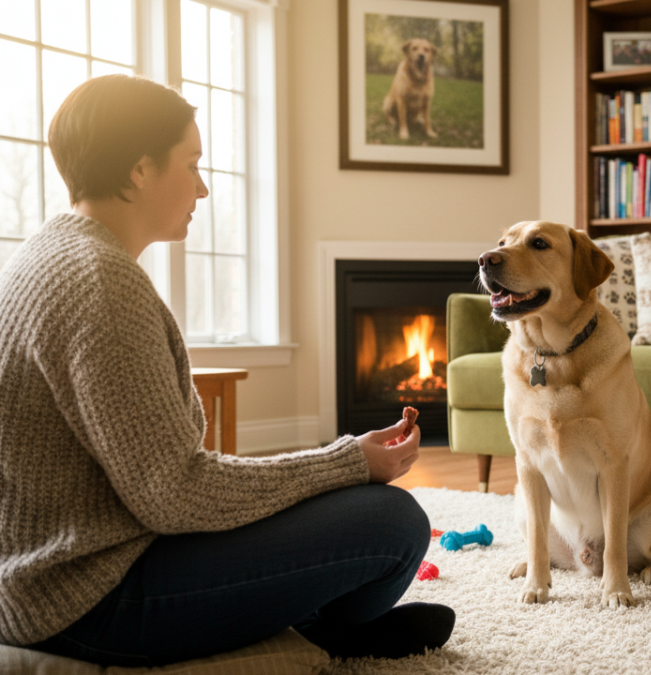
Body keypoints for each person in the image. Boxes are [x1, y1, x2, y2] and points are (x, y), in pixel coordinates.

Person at [0, 74, 454, 667]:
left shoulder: (50, 256)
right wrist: (347, 463)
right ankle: (331, 629)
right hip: (90, 601)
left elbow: (164, 487)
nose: (203, 187)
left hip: (52, 581)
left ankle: (309, 613)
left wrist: (335, 471)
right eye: (190, 164)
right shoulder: (101, 285)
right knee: (392, 522)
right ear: (140, 170)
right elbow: (179, 495)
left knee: (330, 501)